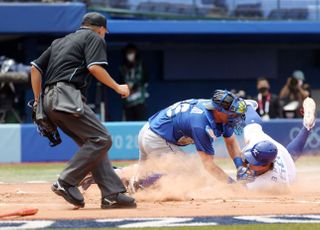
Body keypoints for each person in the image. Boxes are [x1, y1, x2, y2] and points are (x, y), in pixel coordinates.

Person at [30, 12, 136, 209]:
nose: (104, 35)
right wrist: (118, 87)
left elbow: (35, 68)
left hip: (50, 99)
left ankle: (112, 193)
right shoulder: (93, 37)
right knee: (102, 139)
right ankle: (66, 181)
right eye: (105, 32)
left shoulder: (59, 41)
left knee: (94, 143)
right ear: (101, 29)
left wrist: (37, 102)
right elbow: (95, 68)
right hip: (66, 95)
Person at [80, 89, 253, 192]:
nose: (236, 116)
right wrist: (231, 184)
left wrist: (240, 168)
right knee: (191, 172)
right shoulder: (201, 123)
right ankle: (136, 182)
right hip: (157, 138)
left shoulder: (220, 115)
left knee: (143, 171)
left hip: (152, 131)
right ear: (218, 110)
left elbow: (230, 141)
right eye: (232, 112)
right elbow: (208, 165)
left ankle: (99, 174)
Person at [240, 97, 316, 190]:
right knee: (252, 128)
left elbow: (237, 190)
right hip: (279, 151)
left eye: (253, 161)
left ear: (265, 166)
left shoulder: (266, 184)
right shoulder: (258, 144)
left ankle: (307, 128)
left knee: (290, 157)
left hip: (288, 171)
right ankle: (248, 105)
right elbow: (244, 157)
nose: (250, 163)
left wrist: (240, 179)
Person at [119, 43, 148, 121]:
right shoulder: (122, 68)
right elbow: (120, 83)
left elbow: (144, 80)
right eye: (128, 53)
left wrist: (134, 87)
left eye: (131, 52)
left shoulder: (141, 65)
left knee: (141, 123)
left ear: (136, 53)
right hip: (127, 102)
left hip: (140, 101)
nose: (130, 55)